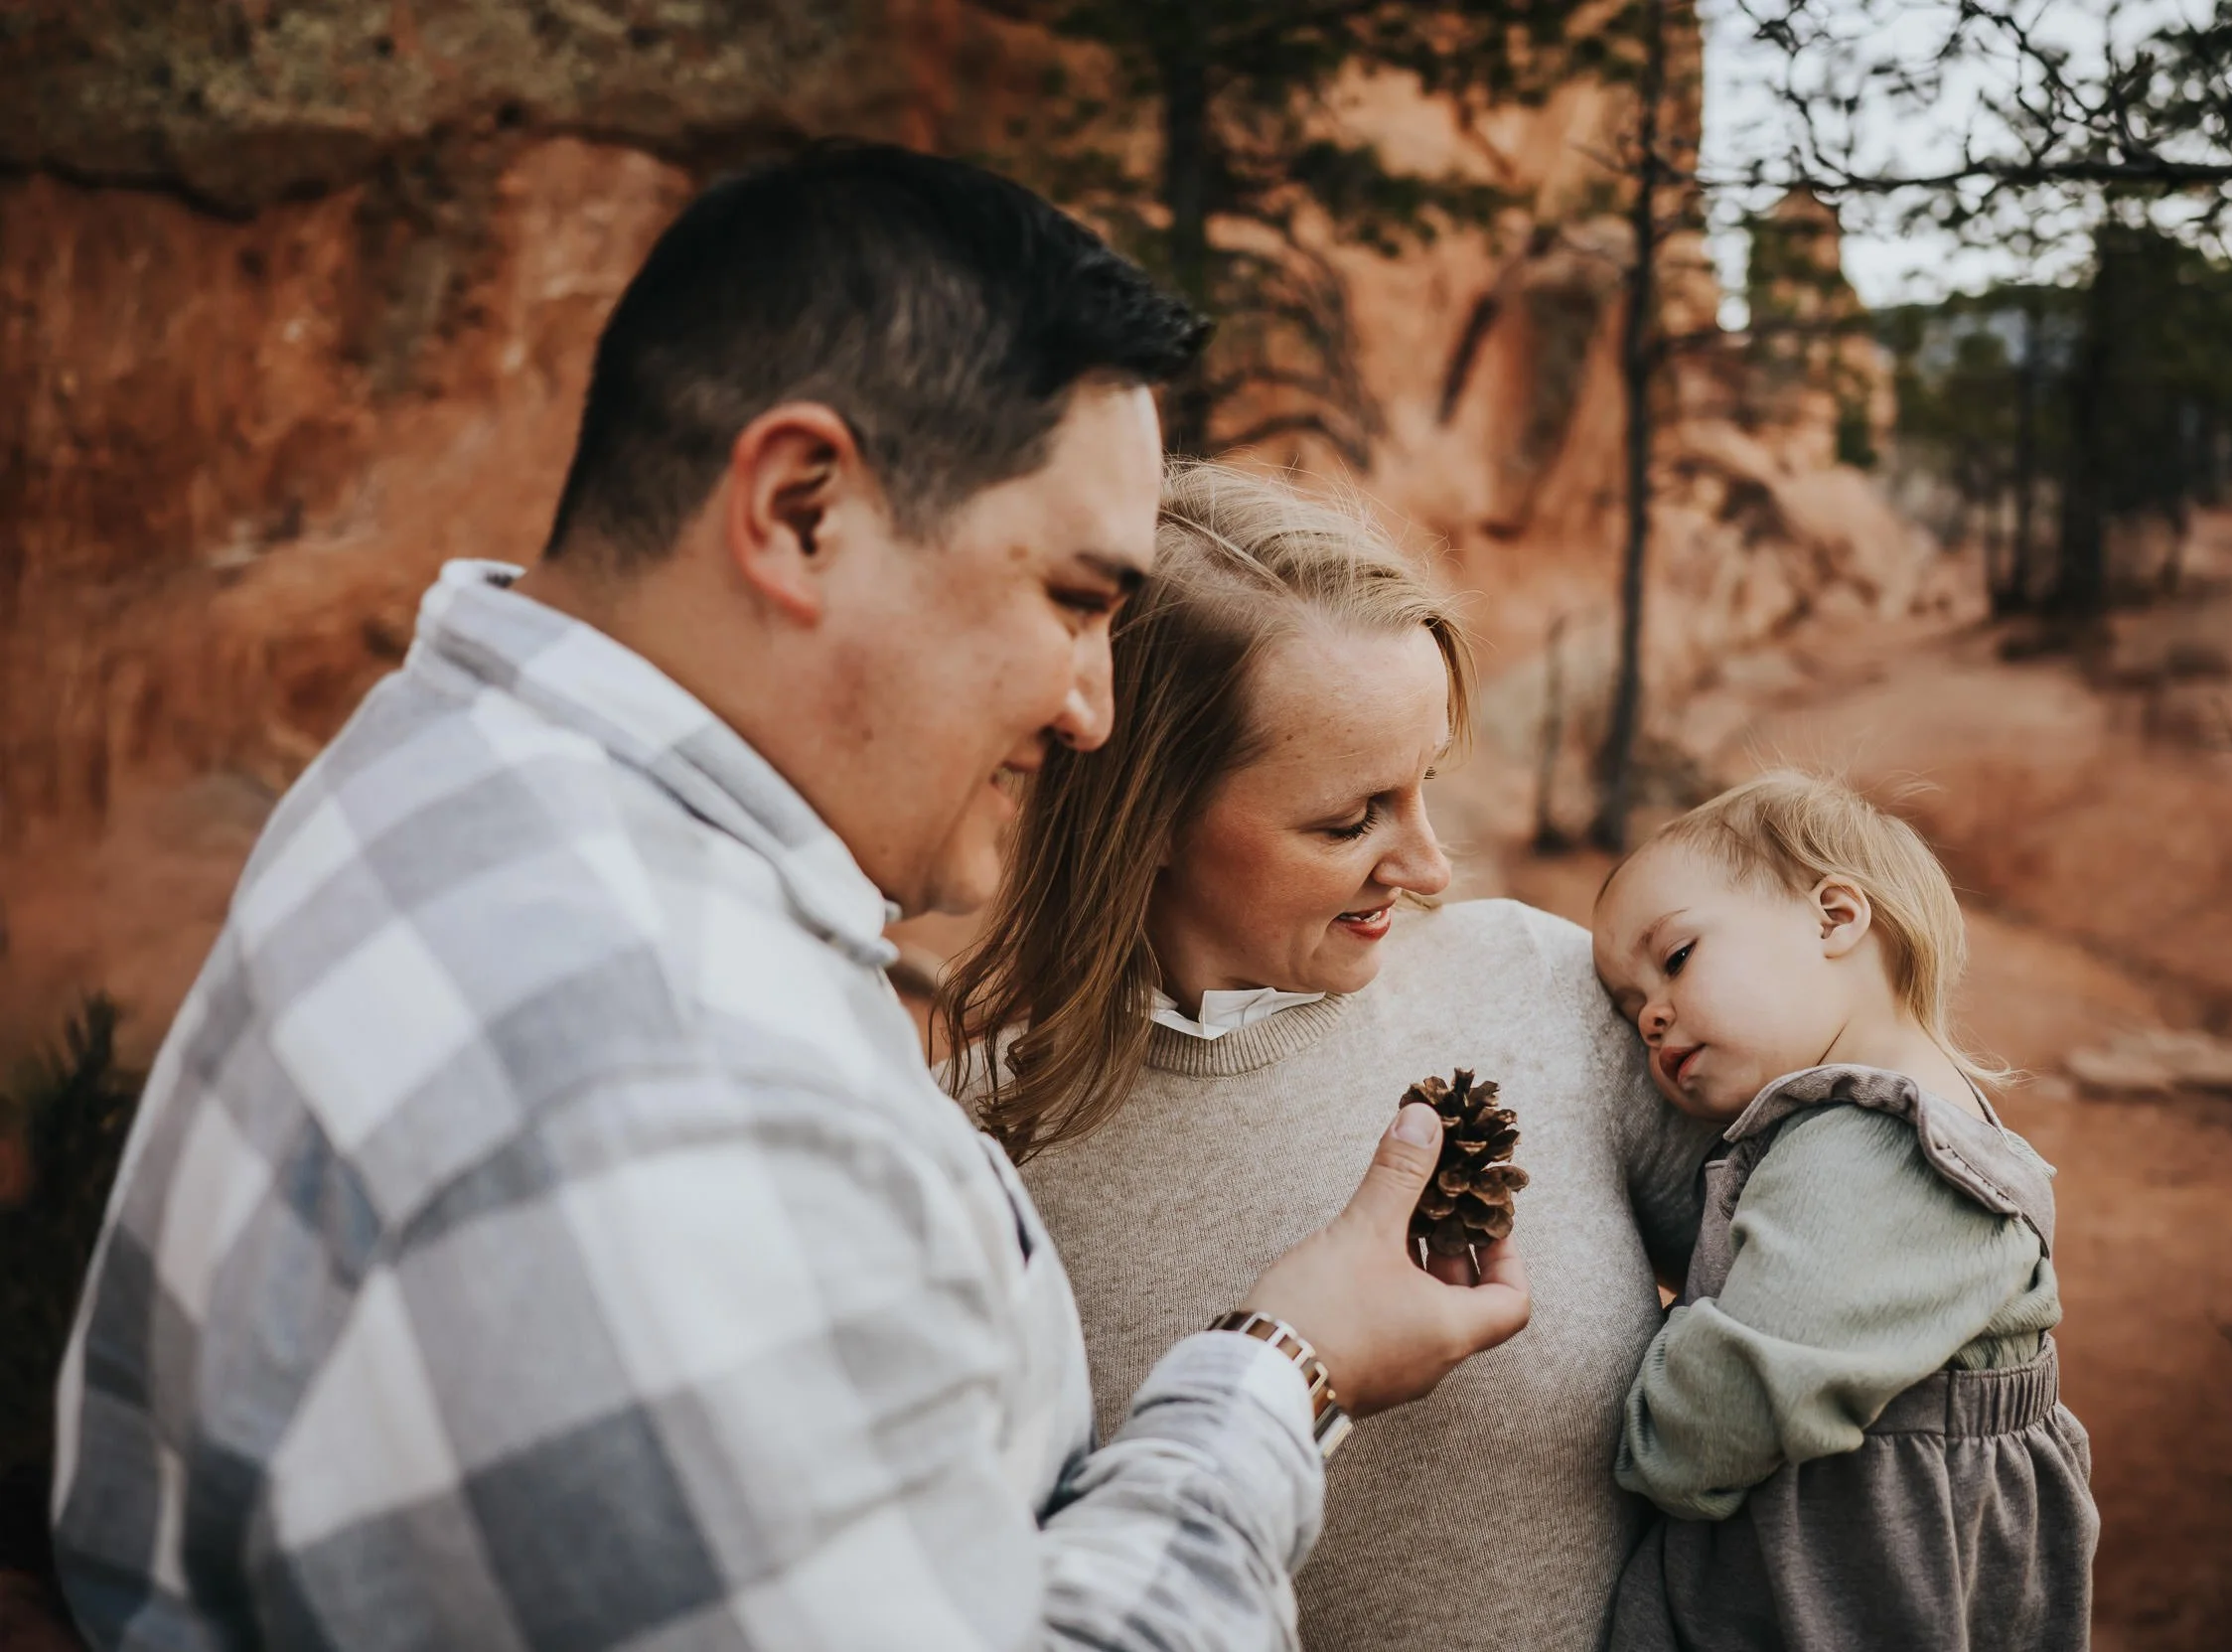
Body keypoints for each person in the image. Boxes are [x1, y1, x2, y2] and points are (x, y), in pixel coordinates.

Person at [49, 142, 1531, 1651]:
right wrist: (1280, 1370)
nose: (1094, 705)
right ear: (801, 508)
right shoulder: (653, 1074)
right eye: (1075, 599)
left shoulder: (444, 766)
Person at [942, 462, 1720, 1652]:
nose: (1430, 867)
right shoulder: (971, 1154)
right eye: (1349, 819)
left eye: (1427, 786)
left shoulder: (1546, 988)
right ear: (1141, 815)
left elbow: (1819, 1281)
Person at [1589, 771, 2099, 1652]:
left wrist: (1644, 1412)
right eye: (1632, 1008)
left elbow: (1715, 1421)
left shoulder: (1873, 1153)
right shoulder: (1913, 1124)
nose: (1652, 1019)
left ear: (1834, 918)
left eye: (1674, 960)